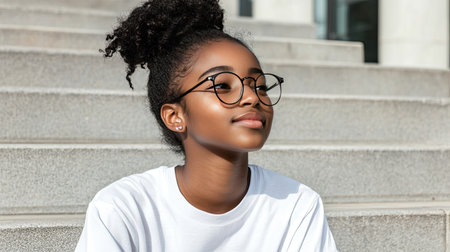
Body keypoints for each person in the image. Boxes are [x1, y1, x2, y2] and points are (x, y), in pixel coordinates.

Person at [75, 0, 338, 251]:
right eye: (223, 85)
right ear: (175, 116)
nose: (252, 97)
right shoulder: (123, 209)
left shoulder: (297, 205)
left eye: (260, 86)